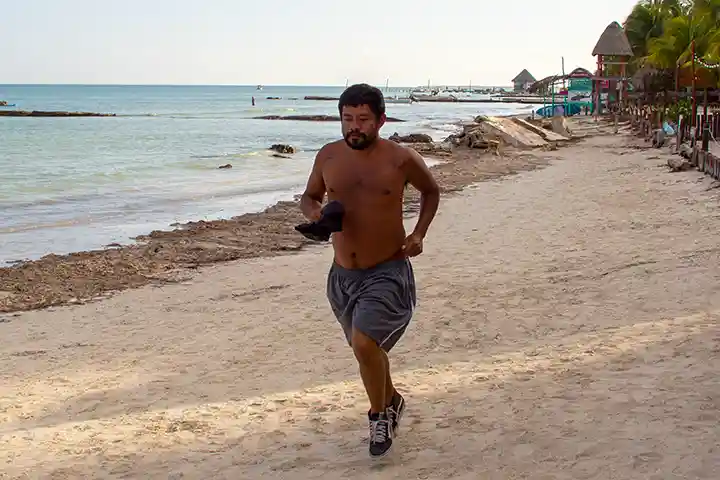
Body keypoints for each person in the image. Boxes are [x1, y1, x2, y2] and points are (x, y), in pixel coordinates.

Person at [300, 83, 440, 458]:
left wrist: (419, 233)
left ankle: (379, 417)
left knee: (364, 344)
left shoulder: (401, 158)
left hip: (387, 270)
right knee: (368, 352)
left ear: (381, 119)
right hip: (342, 276)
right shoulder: (328, 157)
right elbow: (310, 195)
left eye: (363, 119)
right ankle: (392, 400)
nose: (354, 127)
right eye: (347, 119)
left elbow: (431, 191)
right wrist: (315, 215)